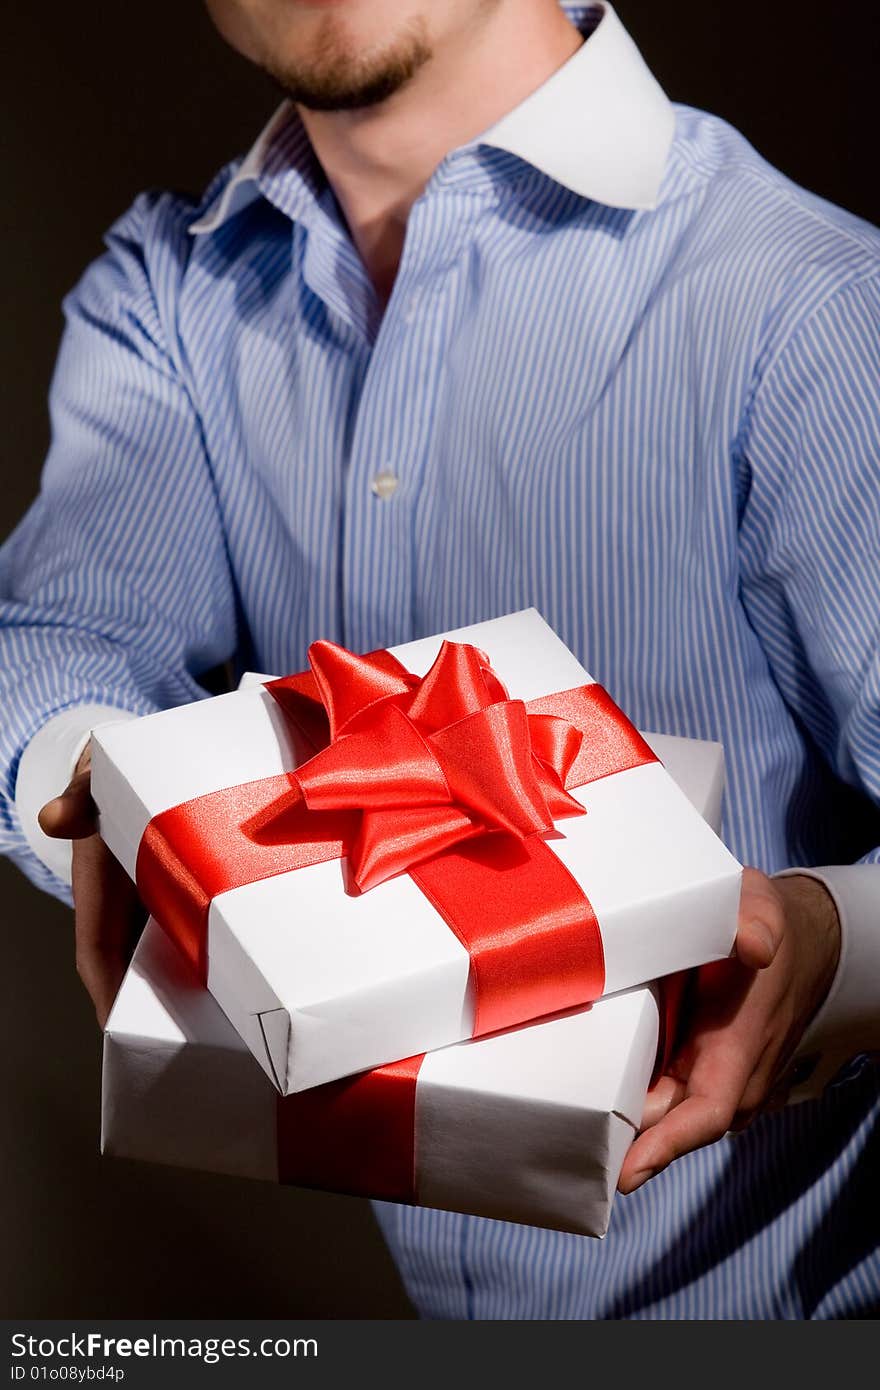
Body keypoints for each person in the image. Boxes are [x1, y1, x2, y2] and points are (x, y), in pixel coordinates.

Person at [1, 0, 878, 1319]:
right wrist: (133, 809)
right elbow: (56, 641)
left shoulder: (810, 307)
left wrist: (835, 943)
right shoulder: (161, 299)